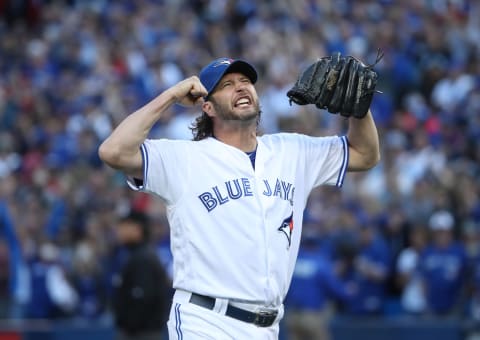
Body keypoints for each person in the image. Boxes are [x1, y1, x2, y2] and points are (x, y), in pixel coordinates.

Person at [98, 57, 380, 339]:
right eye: (227, 85)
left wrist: (359, 110)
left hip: (267, 326)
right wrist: (170, 96)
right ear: (207, 106)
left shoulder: (293, 151)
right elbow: (114, 151)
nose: (241, 88)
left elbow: (365, 155)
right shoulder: (184, 158)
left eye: (246, 82)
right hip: (206, 322)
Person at [111, 211, 170, 340]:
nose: (119, 231)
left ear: (137, 229)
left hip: (142, 334)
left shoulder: (143, 258)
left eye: (125, 226)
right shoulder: (138, 255)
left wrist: (129, 326)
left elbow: (143, 299)